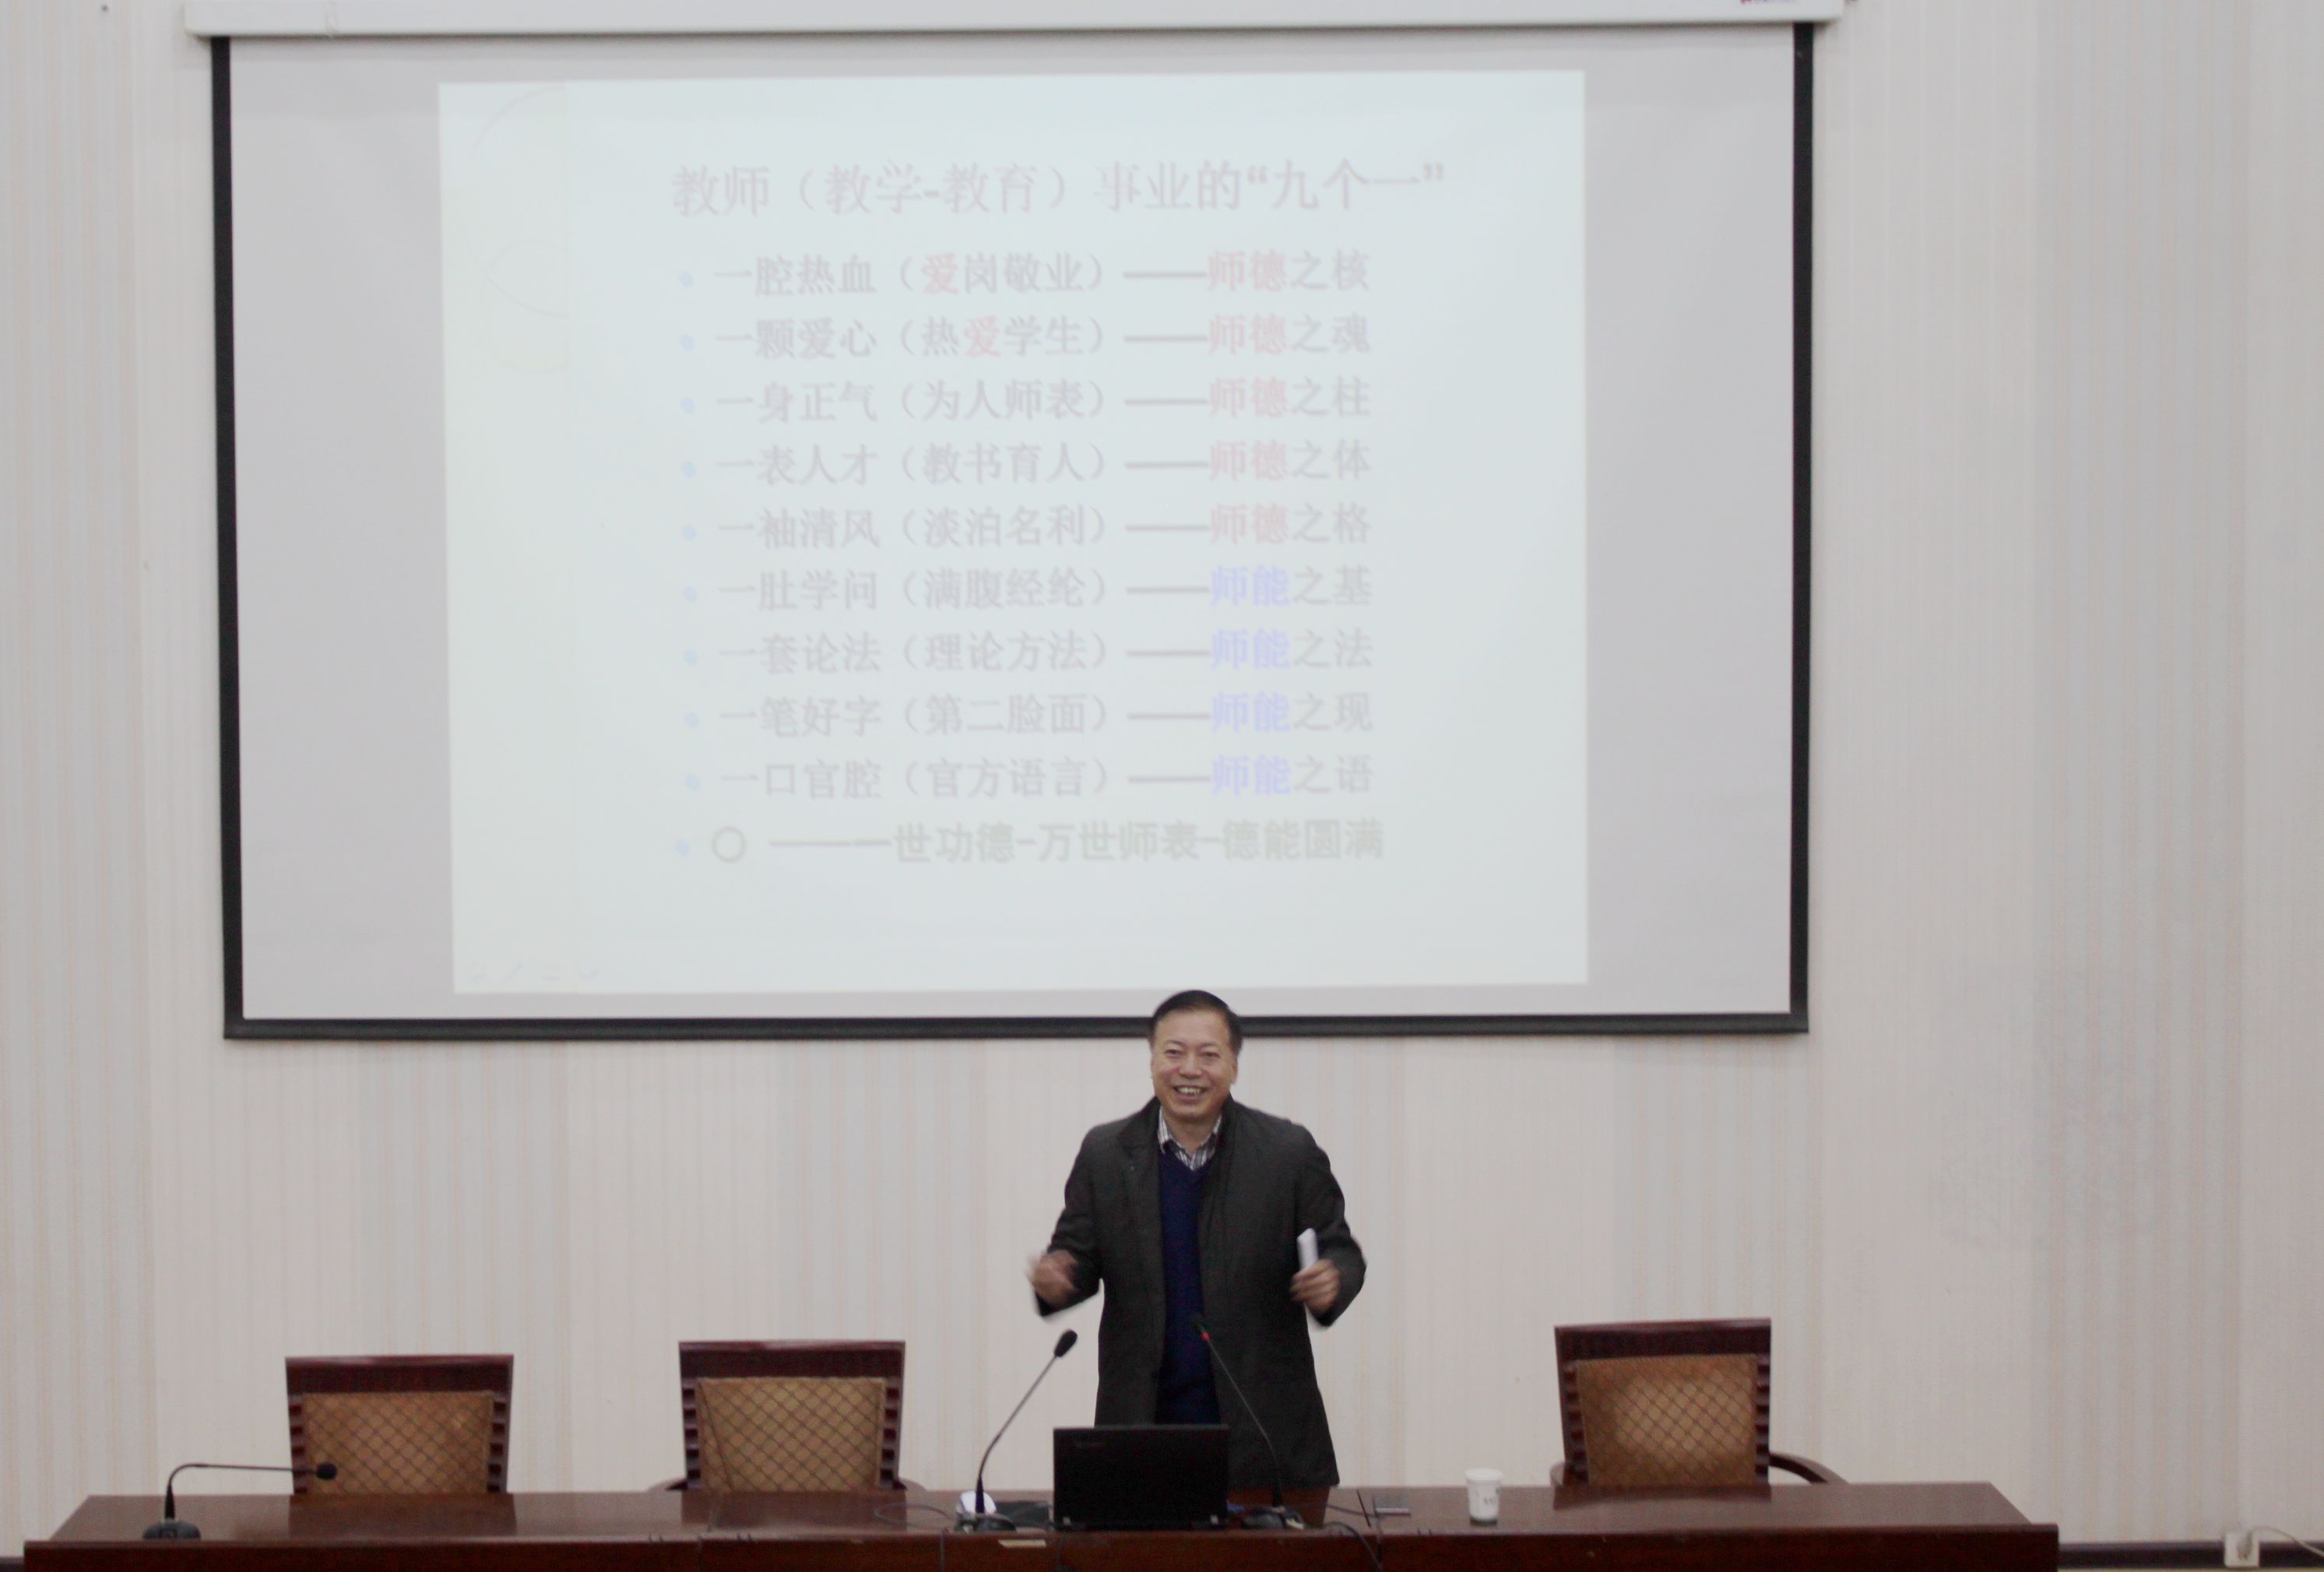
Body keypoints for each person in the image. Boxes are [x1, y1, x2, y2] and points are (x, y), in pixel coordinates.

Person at [1028, 989, 1366, 1489]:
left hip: (1264, 1430)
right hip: (1142, 1426)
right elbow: (1076, 1254)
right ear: (1152, 1062)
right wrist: (1058, 1279)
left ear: (1233, 1066)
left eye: (1208, 1055)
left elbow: (1340, 1248)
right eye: (1174, 1052)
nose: (1190, 1069)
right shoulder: (1107, 1154)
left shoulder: (1286, 1153)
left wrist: (1333, 1278)